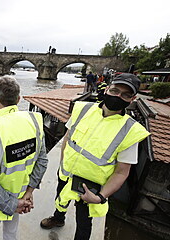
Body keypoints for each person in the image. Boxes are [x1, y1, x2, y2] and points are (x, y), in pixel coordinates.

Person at [40, 73, 150, 240]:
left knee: (84, 222)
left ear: (132, 99)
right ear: (107, 89)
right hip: (66, 173)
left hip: (90, 186)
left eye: (125, 94)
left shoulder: (130, 131)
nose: (118, 96)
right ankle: (58, 218)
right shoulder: (83, 109)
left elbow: (122, 172)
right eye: (115, 90)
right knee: (60, 199)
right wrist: (63, 163)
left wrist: (100, 197)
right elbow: (68, 138)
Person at [0, 75, 48, 240]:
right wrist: (28, 193)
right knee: (10, 235)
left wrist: (13, 204)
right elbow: (42, 161)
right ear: (18, 99)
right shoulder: (34, 121)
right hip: (19, 195)